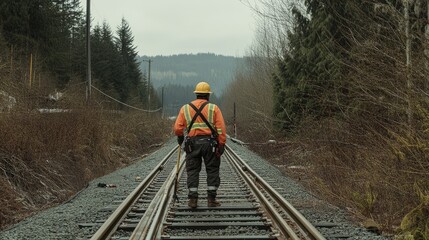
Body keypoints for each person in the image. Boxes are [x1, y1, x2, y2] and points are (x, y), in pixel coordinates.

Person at [173, 81, 226, 208]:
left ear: (196, 94)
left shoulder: (185, 108)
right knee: (212, 170)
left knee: (192, 171)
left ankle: (192, 200)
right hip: (210, 144)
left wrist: (180, 137)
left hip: (192, 145)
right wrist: (221, 143)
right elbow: (221, 129)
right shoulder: (214, 108)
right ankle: (211, 200)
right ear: (208, 95)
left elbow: (177, 128)